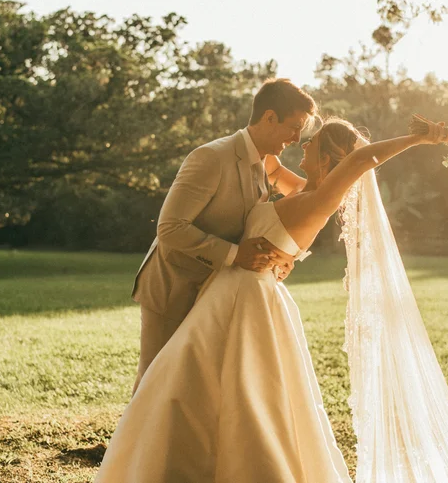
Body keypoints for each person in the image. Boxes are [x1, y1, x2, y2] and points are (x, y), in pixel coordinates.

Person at [95, 118, 448, 482]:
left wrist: (421, 137)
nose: (302, 145)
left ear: (332, 156)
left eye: (312, 142)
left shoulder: (324, 197)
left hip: (247, 298)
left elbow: (364, 158)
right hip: (232, 292)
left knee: (239, 392)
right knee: (192, 381)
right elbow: (262, 163)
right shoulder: (304, 190)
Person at [130, 78, 316, 393]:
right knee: (155, 381)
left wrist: (285, 256)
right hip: (174, 285)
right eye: (294, 127)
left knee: (195, 384)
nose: (297, 138)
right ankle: (129, 444)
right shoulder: (211, 157)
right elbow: (170, 228)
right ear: (269, 117)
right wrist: (235, 254)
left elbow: (303, 197)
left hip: (215, 291)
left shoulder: (266, 162)